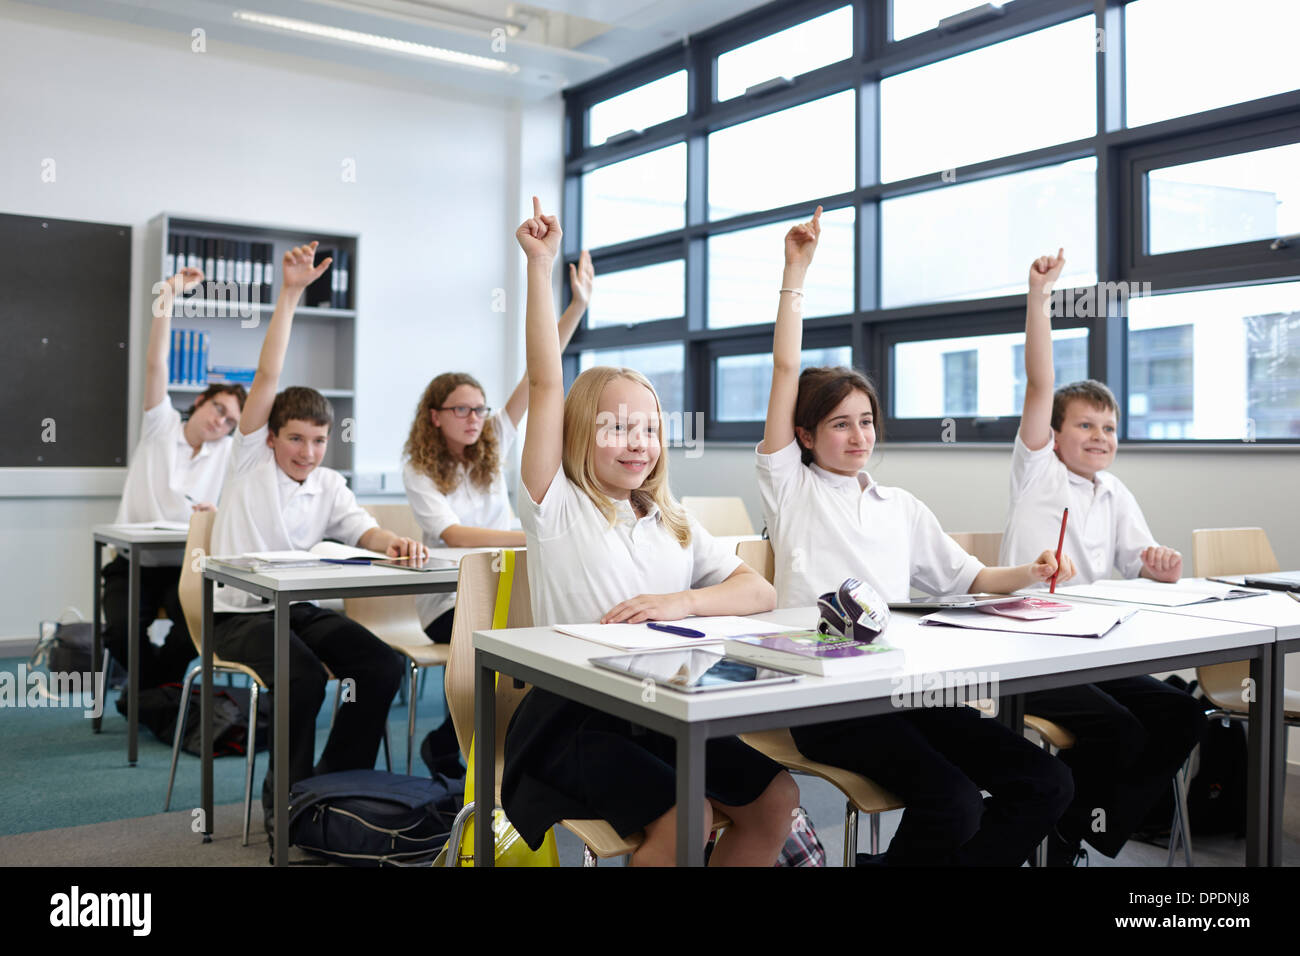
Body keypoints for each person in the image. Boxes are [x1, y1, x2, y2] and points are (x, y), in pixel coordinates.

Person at [757, 206, 1075, 866]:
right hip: (825, 696)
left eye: (866, 421)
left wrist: (1034, 570)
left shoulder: (897, 504)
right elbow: (786, 371)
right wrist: (796, 271)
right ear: (807, 436)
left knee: (1046, 782)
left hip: (904, 687)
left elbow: (973, 579)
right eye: (840, 425)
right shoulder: (792, 486)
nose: (858, 436)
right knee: (954, 801)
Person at [501, 197, 799, 866]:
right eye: (615, 427)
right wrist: (540, 264)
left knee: (776, 798)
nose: (636, 442)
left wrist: (682, 602)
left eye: (649, 428)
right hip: (573, 718)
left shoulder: (671, 518)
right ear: (582, 432)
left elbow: (758, 592)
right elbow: (547, 383)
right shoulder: (556, 504)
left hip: (669, 708)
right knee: (686, 814)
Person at [999, 248, 1205, 865]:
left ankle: (1079, 828)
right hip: (1028, 649)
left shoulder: (1113, 490)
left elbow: (1137, 557)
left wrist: (1158, 564)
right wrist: (1040, 297)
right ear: (1053, 435)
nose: (1099, 438)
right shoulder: (1037, 473)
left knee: (1179, 714)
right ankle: (1066, 835)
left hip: (1092, 645)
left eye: (1109, 428)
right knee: (1118, 728)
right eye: (1085, 426)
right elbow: (1041, 379)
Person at [209, 241, 418, 831]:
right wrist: (292, 292)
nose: (307, 452)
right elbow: (269, 372)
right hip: (240, 613)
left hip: (297, 610)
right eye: (296, 439)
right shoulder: (249, 461)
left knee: (380, 667)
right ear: (270, 436)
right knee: (301, 678)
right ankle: (289, 801)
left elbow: (361, 528)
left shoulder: (327, 483)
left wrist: (392, 542)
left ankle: (334, 784)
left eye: (318, 441)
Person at [402, 252, 593, 777]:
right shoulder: (418, 468)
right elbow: (454, 534)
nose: (474, 418)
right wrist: (527, 538)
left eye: (480, 408)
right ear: (435, 416)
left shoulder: (495, 445)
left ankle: (489, 750)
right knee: (510, 658)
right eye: (461, 409)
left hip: (508, 587)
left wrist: (575, 307)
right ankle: (456, 746)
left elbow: (540, 374)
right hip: (449, 601)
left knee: (553, 645)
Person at [105, 267, 245, 689]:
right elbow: (155, 363)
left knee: (195, 629)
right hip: (134, 564)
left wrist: (215, 514)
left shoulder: (229, 455)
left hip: (187, 566)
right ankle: (153, 692)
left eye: (231, 421)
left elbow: (237, 510)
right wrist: (167, 295)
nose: (221, 423)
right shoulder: (160, 425)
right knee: (119, 632)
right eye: (218, 410)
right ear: (201, 401)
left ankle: (152, 694)